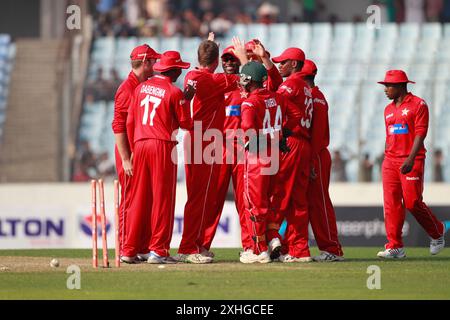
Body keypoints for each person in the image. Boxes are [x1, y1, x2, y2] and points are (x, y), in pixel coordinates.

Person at [200, 39, 283, 257]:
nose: (228, 62)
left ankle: (251, 245)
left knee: (246, 202)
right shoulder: (217, 83)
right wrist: (208, 48)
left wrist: (259, 58)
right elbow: (202, 76)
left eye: (232, 58)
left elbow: (273, 83)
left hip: (244, 149)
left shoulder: (249, 86)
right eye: (224, 58)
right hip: (217, 148)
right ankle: (202, 246)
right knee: (213, 201)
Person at [176, 34, 247, 264]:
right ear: (216, 62)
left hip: (195, 139)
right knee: (200, 198)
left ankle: (194, 245)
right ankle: (188, 248)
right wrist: (244, 58)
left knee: (200, 197)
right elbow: (245, 78)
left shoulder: (192, 75)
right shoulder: (213, 81)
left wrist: (208, 46)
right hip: (205, 141)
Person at [123, 51, 194, 263]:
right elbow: (187, 124)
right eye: (179, 69)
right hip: (162, 145)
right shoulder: (174, 92)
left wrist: (134, 146)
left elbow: (129, 121)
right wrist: (187, 99)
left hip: (140, 143)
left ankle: (128, 250)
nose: (181, 72)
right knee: (163, 199)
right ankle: (158, 251)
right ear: (173, 71)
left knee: (139, 198)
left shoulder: (140, 88)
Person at [377, 69, 445, 259]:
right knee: (391, 205)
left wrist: (410, 158)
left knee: (413, 202)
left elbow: (420, 133)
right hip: (390, 161)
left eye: (388, 86)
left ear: (400, 86)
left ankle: (437, 232)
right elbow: (390, 135)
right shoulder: (388, 109)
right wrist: (386, 157)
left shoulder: (418, 104)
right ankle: (395, 247)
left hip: (411, 159)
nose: (385, 90)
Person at [239, 61, 302, 264]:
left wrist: (256, 141)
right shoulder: (278, 97)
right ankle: (273, 238)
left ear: (248, 80)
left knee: (255, 206)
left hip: (258, 156)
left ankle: (259, 250)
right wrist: (281, 135)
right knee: (269, 202)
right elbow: (296, 115)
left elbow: (248, 127)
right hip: (275, 154)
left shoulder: (249, 102)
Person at [111, 44, 160, 263]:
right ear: (146, 62)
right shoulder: (126, 89)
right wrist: (124, 159)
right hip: (129, 155)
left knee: (144, 200)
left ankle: (140, 246)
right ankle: (124, 247)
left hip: (141, 153)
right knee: (130, 200)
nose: (156, 65)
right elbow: (118, 126)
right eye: (154, 61)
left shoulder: (143, 86)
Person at [265, 48, 314, 263]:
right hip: (304, 144)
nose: (279, 66)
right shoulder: (305, 88)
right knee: (298, 202)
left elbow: (271, 101)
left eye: (283, 62)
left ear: (294, 64)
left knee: (280, 194)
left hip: (291, 143)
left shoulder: (291, 85)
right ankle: (299, 249)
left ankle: (273, 238)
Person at [301, 59, 344, 262]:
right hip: (312, 154)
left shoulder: (316, 98)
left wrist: (310, 162)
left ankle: (332, 249)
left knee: (319, 203)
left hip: (316, 155)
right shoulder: (310, 96)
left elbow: (317, 137)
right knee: (310, 202)